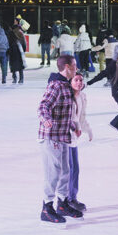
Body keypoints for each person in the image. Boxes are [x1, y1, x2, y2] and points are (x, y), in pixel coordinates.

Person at [38, 55, 82, 224]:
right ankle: (46, 207)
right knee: (53, 173)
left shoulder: (65, 86)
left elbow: (63, 112)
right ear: (67, 67)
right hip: (50, 137)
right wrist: (46, 119)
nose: (76, 69)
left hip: (62, 136)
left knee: (66, 171)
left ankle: (61, 204)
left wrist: (73, 126)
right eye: (75, 66)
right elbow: (43, 106)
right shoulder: (56, 86)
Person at [88, 43, 118, 137]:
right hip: (117, 92)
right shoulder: (114, 64)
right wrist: (89, 82)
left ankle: (115, 123)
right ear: (117, 55)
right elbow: (103, 74)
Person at [67, 71, 92, 213]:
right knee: (68, 170)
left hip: (74, 139)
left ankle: (72, 197)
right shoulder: (67, 97)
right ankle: (66, 200)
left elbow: (81, 117)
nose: (79, 83)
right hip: (65, 137)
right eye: (76, 80)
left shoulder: (82, 96)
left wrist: (88, 129)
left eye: (81, 80)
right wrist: (73, 128)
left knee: (75, 169)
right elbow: (67, 117)